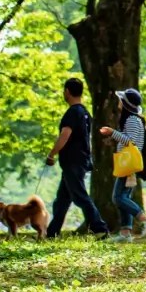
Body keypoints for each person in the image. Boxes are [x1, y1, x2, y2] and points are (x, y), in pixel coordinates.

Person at [44, 78, 110, 239]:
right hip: (79, 160)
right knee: (62, 200)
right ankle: (52, 233)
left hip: (73, 161)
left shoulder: (73, 112)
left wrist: (51, 154)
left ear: (67, 91)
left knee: (80, 196)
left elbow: (64, 136)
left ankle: (100, 228)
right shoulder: (85, 113)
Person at [100, 88, 146, 242]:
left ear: (124, 104)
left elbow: (131, 141)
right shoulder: (134, 120)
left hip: (127, 163)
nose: (118, 103)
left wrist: (112, 133)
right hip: (128, 163)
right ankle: (125, 233)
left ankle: (144, 219)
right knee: (124, 197)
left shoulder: (131, 120)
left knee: (118, 197)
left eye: (120, 100)